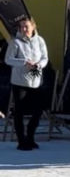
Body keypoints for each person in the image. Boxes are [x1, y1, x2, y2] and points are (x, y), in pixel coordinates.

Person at [5, 16, 48, 151]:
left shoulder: (39, 41)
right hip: (20, 81)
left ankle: (30, 136)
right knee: (19, 111)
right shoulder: (15, 42)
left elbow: (45, 57)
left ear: (33, 27)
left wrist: (39, 65)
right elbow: (8, 59)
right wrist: (23, 62)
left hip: (35, 80)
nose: (24, 29)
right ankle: (21, 140)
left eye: (27, 26)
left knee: (37, 111)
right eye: (22, 27)